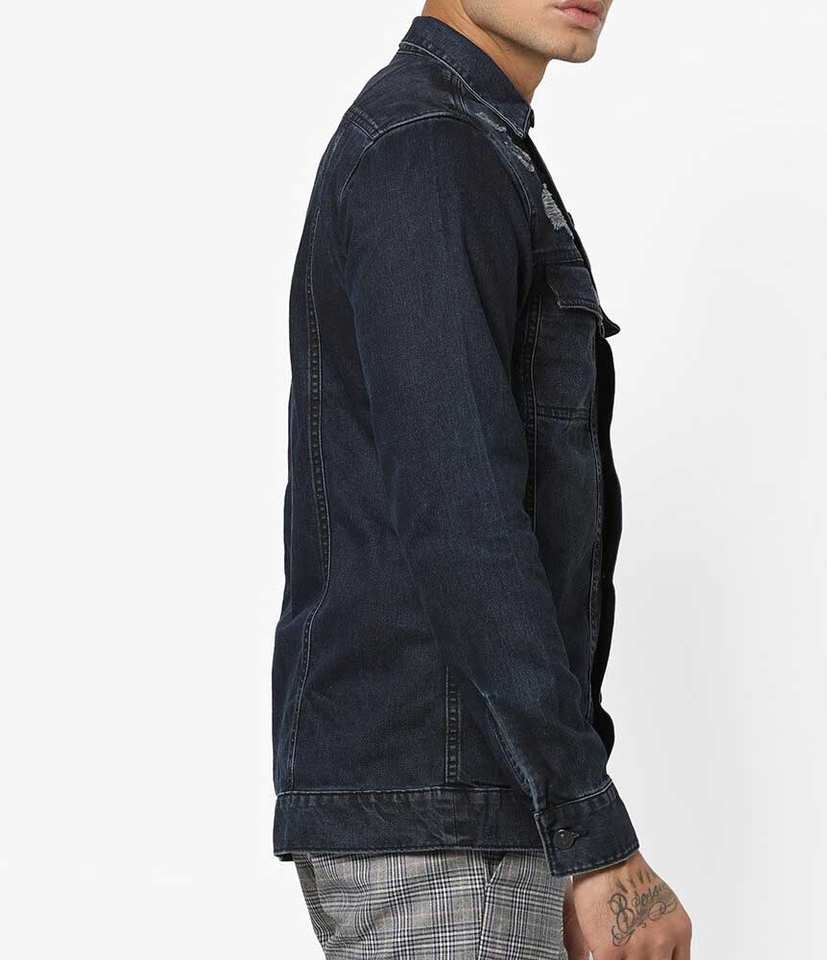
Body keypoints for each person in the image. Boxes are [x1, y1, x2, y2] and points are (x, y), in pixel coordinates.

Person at [272, 2, 693, 956]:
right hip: (446, 817)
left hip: (461, 801)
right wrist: (595, 838)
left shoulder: (472, 144)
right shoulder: (427, 149)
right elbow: (461, 516)